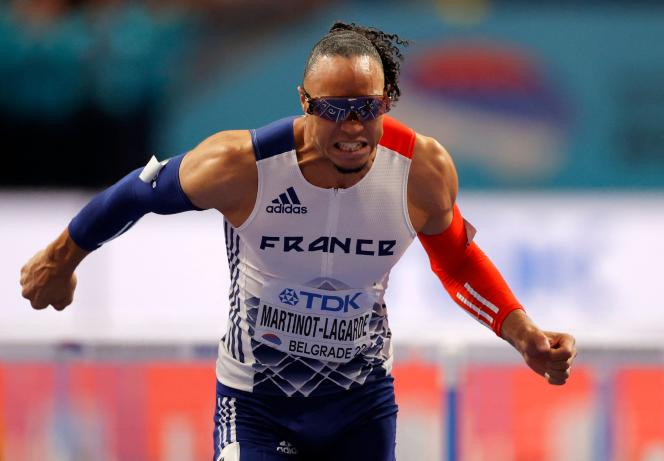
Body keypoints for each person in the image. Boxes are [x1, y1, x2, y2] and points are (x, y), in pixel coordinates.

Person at [20, 21, 577, 461]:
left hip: (361, 405)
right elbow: (138, 193)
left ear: (387, 101)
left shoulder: (421, 171)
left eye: (367, 109)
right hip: (256, 404)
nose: (353, 128)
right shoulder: (241, 166)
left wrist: (522, 333)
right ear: (306, 103)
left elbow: (456, 261)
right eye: (334, 111)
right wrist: (61, 258)